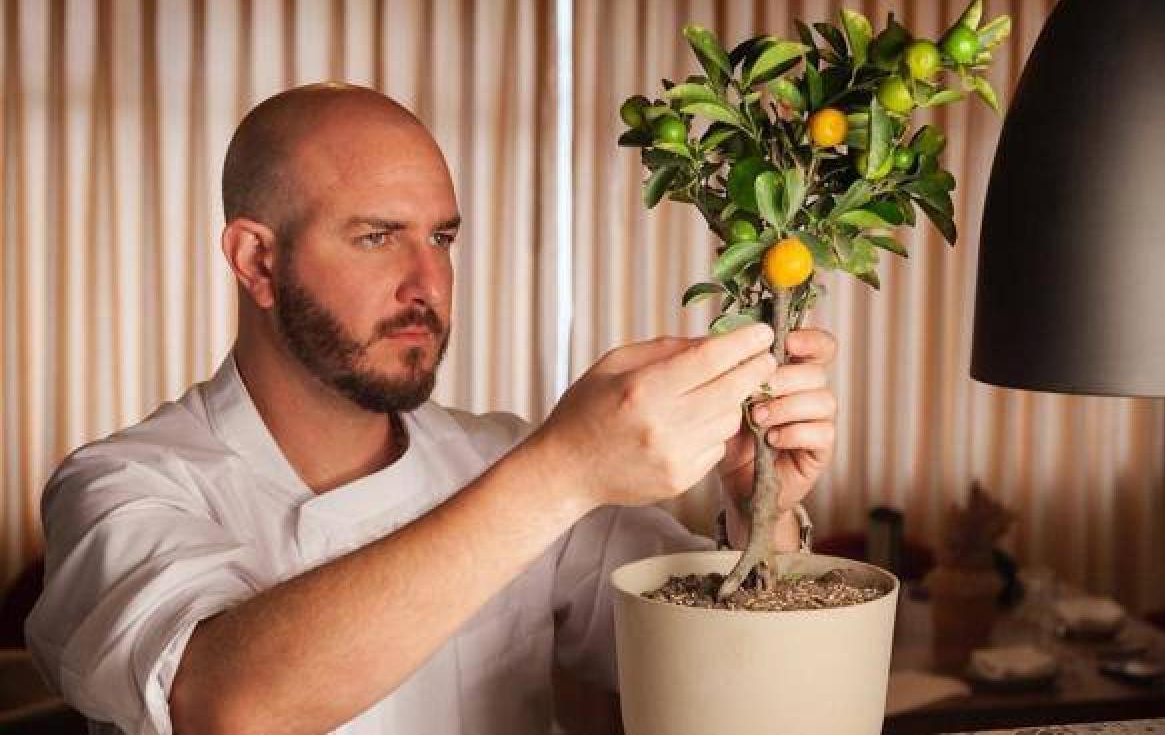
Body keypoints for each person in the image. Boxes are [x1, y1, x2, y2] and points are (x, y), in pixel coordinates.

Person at [25, 84, 839, 735]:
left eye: (442, 239)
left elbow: (724, 682)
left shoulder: (498, 456)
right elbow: (227, 709)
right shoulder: (123, 485)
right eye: (378, 237)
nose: (429, 285)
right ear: (256, 259)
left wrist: (757, 507)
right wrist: (562, 471)